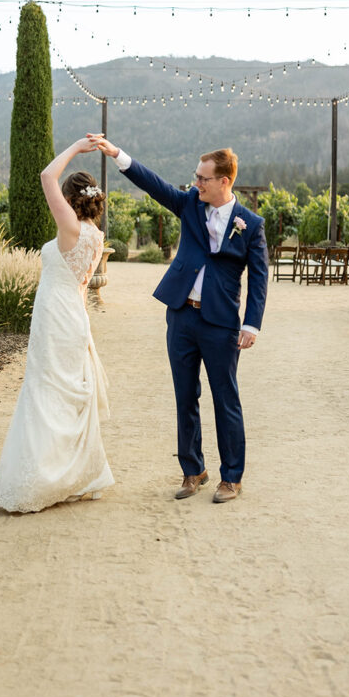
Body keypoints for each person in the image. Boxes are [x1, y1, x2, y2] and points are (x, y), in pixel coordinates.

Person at [93, 137, 268, 503]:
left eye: (203, 178)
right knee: (185, 396)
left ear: (224, 181)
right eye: (196, 176)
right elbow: (154, 184)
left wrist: (251, 324)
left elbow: (260, 276)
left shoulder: (250, 225)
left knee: (226, 399)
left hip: (221, 324)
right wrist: (118, 156)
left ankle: (231, 477)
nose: (196, 183)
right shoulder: (189, 204)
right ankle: (193, 471)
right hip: (181, 317)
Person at [0, 137, 114, 513]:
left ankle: (45, 476)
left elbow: (46, 174)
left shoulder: (70, 228)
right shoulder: (96, 235)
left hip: (56, 314)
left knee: (46, 388)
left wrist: (77, 147)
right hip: (74, 313)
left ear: (69, 198)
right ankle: (74, 472)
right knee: (64, 389)